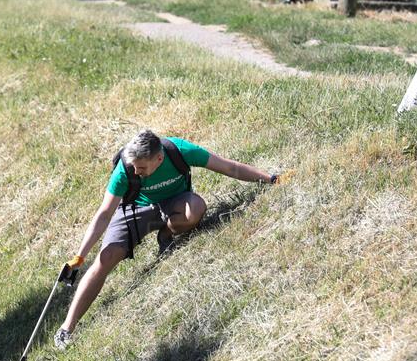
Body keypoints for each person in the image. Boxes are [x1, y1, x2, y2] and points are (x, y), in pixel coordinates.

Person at [54, 129, 280, 349]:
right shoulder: (125, 169)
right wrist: (80, 256)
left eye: (141, 167)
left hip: (175, 203)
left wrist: (271, 179)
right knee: (106, 257)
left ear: (159, 158)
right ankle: (67, 327)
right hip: (135, 210)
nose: (136, 171)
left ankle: (166, 233)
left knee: (197, 208)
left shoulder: (178, 151)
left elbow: (229, 167)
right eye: (134, 166)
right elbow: (104, 214)